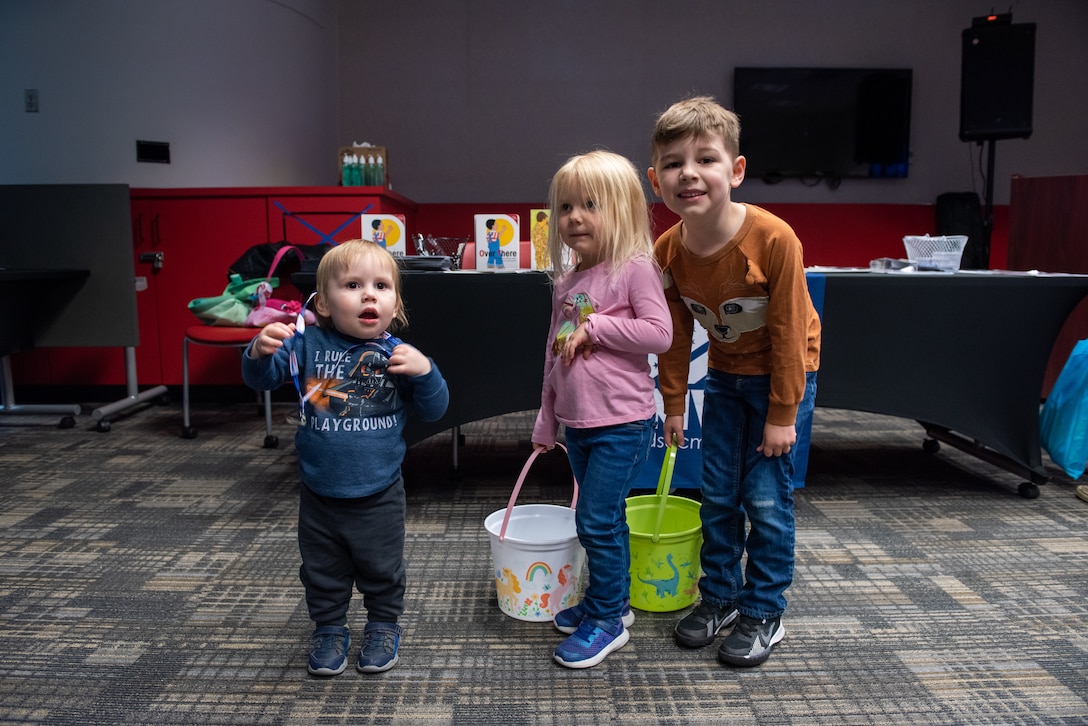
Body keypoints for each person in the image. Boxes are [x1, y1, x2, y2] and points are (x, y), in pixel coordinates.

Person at [647, 96, 821, 667]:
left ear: (736, 171)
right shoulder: (668, 250)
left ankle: (764, 609)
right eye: (673, 163)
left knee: (765, 500)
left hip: (783, 376)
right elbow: (672, 335)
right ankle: (720, 596)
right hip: (724, 376)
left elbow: (793, 332)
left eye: (706, 159)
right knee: (718, 494)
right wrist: (673, 403)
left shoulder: (774, 239)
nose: (688, 174)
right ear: (656, 180)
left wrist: (782, 414)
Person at [242, 240, 449, 677]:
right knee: (322, 570)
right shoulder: (306, 344)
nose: (369, 295)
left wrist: (427, 372)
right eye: (352, 285)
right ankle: (329, 627)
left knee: (382, 567)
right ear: (322, 303)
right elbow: (261, 379)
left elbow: (434, 411)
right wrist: (259, 352)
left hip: (379, 493)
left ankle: (382, 624)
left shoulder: (397, 355)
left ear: (396, 304)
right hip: (319, 493)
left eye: (381, 286)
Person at [532, 150, 673, 669]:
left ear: (622, 210)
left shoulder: (633, 269)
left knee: (594, 521)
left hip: (622, 422)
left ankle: (609, 619)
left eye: (589, 204)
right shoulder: (567, 283)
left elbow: (660, 335)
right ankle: (609, 600)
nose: (573, 217)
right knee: (602, 518)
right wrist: (548, 419)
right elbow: (553, 350)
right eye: (565, 206)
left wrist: (598, 327)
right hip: (579, 424)